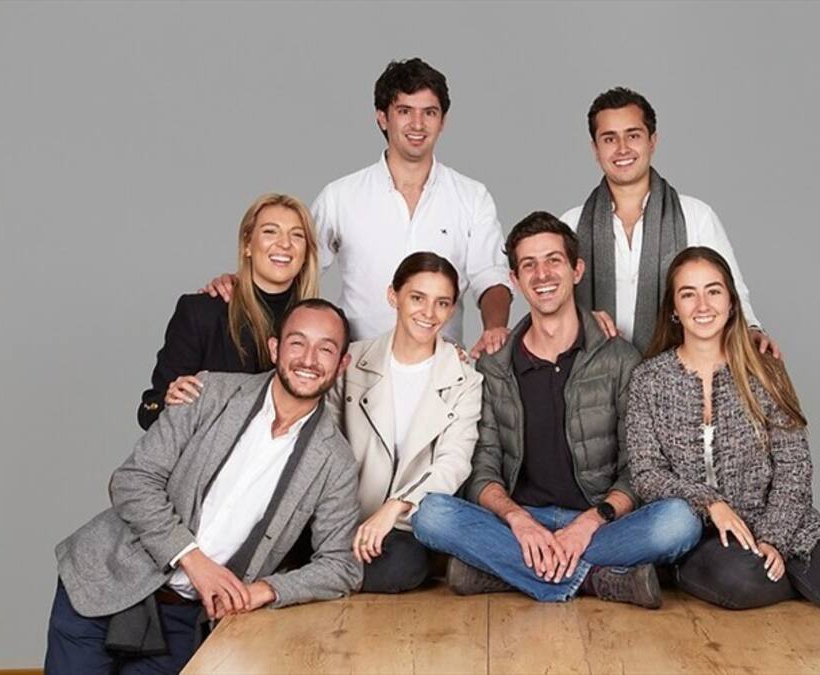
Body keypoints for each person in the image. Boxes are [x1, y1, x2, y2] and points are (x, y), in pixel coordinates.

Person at [47, 299, 362, 673]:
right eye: (297, 342)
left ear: (342, 363)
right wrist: (192, 559)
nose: (308, 359)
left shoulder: (336, 460)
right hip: (106, 579)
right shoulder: (207, 391)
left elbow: (341, 565)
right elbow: (132, 480)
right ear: (275, 348)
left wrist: (266, 590)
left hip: (188, 619)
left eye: (325, 349)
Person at [412, 212, 701, 609]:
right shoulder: (495, 365)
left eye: (553, 260)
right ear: (515, 280)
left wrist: (588, 523)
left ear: (576, 270)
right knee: (431, 514)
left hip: (598, 520)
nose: (542, 274)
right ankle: (594, 578)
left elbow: (637, 468)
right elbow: (484, 468)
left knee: (680, 521)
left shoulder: (619, 358)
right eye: (529, 265)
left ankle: (502, 569)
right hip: (520, 520)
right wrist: (519, 521)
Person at [626, 246, 820, 662]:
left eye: (713, 291)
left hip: (787, 523)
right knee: (741, 580)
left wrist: (773, 539)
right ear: (674, 309)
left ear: (731, 302)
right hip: (705, 535)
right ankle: (809, 586)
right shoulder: (649, 380)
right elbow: (646, 472)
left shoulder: (764, 372)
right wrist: (709, 503)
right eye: (688, 294)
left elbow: (794, 466)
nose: (702, 305)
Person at [205, 58, 512, 358]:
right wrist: (241, 283)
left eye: (429, 112)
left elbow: (491, 277)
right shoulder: (341, 196)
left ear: (443, 121)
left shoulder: (472, 197)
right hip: (356, 369)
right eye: (404, 111)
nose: (418, 124)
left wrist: (494, 328)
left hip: (441, 367)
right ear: (382, 118)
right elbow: (295, 262)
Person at [560, 87, 779, 357]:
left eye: (633, 135)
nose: (622, 148)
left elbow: (730, 288)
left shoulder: (695, 216)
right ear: (595, 149)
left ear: (652, 141)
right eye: (609, 139)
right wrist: (580, 319)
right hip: (594, 374)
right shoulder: (570, 225)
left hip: (677, 373)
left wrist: (753, 328)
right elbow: (554, 306)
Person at [337, 252, 483, 593]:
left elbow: (454, 462)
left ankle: (323, 572)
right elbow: (326, 441)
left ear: (451, 310)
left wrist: (396, 506)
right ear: (394, 296)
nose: (429, 313)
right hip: (343, 514)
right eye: (418, 298)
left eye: (442, 303)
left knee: (402, 569)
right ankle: (324, 567)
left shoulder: (465, 379)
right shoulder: (352, 361)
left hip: (404, 524)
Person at [139, 193, 320, 429]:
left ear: (306, 252)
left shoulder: (323, 328)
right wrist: (170, 399)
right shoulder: (201, 313)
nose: (284, 244)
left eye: (297, 235)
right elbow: (148, 412)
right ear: (247, 244)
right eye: (270, 231)